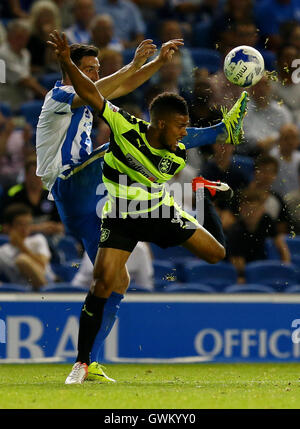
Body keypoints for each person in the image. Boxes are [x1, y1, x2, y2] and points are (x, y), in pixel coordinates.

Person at [46, 32, 248, 384]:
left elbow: (108, 92)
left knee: (121, 279)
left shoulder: (176, 150)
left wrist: (149, 65)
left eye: (97, 68)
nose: (95, 73)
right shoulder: (61, 94)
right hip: (71, 179)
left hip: (144, 207)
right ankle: (82, 362)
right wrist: (133, 65)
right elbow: (95, 93)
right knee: (120, 137)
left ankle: (90, 362)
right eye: (89, 68)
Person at [226, 189, 291, 283]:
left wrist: (286, 265)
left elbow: (281, 244)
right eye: (248, 210)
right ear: (241, 209)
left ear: (262, 209)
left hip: (262, 265)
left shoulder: (266, 220)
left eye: (255, 210)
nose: (251, 214)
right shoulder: (235, 231)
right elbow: (238, 265)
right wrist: (242, 276)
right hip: (240, 271)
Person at [0, 204, 54, 290]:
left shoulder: (38, 240)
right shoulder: (2, 252)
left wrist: (22, 247)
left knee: (22, 260)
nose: (25, 228)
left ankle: (48, 295)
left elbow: (43, 265)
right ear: (8, 227)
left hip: (47, 283)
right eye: (20, 224)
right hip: (22, 292)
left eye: (28, 224)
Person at [0, 19, 48, 112]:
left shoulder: (26, 53)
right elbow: (24, 81)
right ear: (9, 36)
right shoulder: (2, 54)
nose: (21, 41)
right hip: (8, 105)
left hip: (25, 101)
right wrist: (49, 97)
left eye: (25, 38)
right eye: (18, 37)